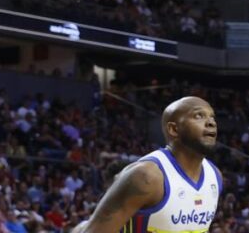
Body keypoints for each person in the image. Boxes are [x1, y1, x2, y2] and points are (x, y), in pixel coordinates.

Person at [73, 96, 221, 232]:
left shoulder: (214, 176)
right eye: (198, 116)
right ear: (174, 129)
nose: (211, 122)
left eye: (212, 117)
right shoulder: (146, 177)